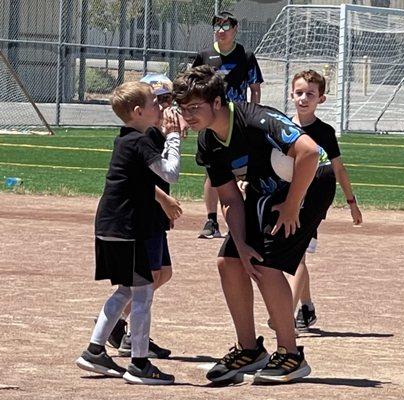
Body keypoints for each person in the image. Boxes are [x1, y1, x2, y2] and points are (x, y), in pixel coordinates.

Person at [173, 65, 336, 384]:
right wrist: (242, 244)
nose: (188, 114)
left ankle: (291, 354)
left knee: (268, 265)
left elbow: (310, 152)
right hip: (266, 188)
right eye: (183, 108)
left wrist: (292, 206)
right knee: (230, 261)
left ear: (217, 102)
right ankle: (249, 349)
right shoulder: (208, 141)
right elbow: (231, 199)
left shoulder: (257, 119)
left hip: (311, 184)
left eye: (195, 107)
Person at [76, 81, 183, 385]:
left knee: (126, 289)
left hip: (110, 225)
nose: (160, 107)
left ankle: (96, 350)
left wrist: (165, 133)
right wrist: (174, 137)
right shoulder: (139, 142)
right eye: (154, 103)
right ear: (139, 111)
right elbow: (170, 172)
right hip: (127, 228)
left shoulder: (126, 140)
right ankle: (138, 363)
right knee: (142, 293)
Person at [114, 73, 186, 359]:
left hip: (153, 213)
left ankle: (118, 324)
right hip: (143, 214)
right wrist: (165, 200)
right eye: (161, 100)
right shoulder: (147, 135)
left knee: (162, 273)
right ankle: (122, 329)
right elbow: (140, 178)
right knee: (146, 277)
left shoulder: (157, 132)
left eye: (170, 99)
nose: (167, 106)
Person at [288, 69, 363, 331]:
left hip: (314, 203)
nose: (304, 98)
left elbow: (339, 169)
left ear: (321, 99)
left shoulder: (325, 132)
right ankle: (306, 308)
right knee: (296, 257)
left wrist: (351, 203)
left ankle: (285, 315)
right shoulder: (283, 127)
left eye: (310, 94)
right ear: (291, 94)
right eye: (299, 93)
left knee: (296, 258)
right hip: (288, 200)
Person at [192, 11, 264, 239]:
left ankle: (249, 218)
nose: (221, 31)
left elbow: (254, 88)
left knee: (246, 169)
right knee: (212, 171)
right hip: (211, 121)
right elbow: (191, 85)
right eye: (217, 26)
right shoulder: (204, 55)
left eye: (225, 26)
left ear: (235, 29)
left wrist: (253, 115)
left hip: (239, 120)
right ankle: (211, 220)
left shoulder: (246, 55)